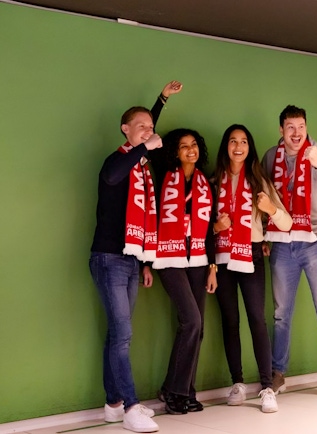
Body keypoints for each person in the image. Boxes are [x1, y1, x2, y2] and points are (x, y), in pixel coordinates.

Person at [89, 81, 182, 433]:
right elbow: (115, 175)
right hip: (107, 258)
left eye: (151, 126)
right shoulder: (117, 161)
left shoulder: (140, 165)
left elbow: (146, 132)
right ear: (125, 130)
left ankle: (113, 404)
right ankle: (130, 406)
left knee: (117, 335)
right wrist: (143, 140)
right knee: (123, 334)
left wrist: (161, 101)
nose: (148, 130)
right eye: (140, 126)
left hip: (130, 259)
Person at [261, 105, 317, 401]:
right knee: (280, 315)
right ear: (281, 130)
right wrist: (264, 234)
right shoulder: (269, 158)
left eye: (301, 126)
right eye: (290, 127)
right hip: (281, 243)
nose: (296, 133)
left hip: (316, 241)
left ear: (306, 128)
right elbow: (261, 198)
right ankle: (277, 374)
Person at [210, 124, 291, 413]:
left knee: (257, 319)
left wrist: (270, 208)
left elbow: (287, 223)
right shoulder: (213, 181)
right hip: (221, 257)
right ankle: (238, 383)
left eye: (244, 141)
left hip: (252, 254)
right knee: (230, 321)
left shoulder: (259, 180)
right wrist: (215, 226)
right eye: (232, 141)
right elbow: (203, 224)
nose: (238, 146)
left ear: (249, 146)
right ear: (226, 146)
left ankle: (267, 387)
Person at [152, 126, 218, 415]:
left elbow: (211, 229)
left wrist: (213, 266)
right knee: (191, 321)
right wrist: (162, 98)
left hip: (199, 260)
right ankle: (173, 390)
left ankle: (185, 390)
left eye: (194, 144)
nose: (190, 149)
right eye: (183, 146)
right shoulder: (162, 176)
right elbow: (150, 216)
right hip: (168, 257)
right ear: (174, 151)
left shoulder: (207, 182)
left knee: (197, 327)